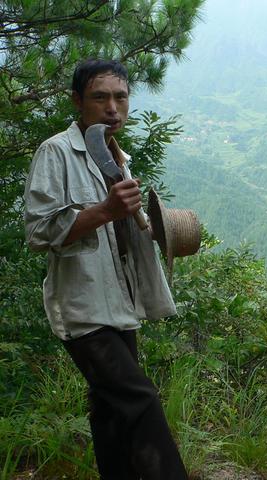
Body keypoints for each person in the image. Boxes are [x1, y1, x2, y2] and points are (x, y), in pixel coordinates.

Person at [24, 59, 188, 480]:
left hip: (120, 300)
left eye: (120, 96)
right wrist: (105, 210)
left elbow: (121, 229)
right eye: (100, 97)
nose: (112, 107)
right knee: (140, 399)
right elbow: (39, 230)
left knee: (110, 408)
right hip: (83, 307)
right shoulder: (56, 152)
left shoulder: (116, 155)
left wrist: (153, 231)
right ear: (78, 101)